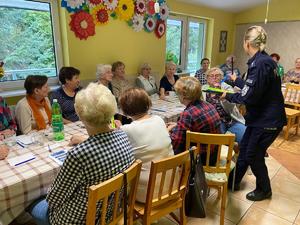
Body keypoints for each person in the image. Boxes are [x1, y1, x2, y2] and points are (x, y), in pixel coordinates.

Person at [29, 83, 135, 225]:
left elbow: (54, 199)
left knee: (34, 205)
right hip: (113, 211)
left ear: (79, 113)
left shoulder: (78, 155)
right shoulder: (123, 135)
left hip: (81, 220)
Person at [222, 26, 286, 201]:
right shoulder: (264, 61)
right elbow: (256, 88)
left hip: (267, 120)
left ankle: (264, 189)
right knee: (245, 150)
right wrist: (240, 81)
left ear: (247, 43)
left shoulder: (260, 63)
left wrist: (227, 95)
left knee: (254, 154)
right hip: (259, 119)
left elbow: (250, 97)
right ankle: (233, 181)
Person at [119, 88, 174, 202]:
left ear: (125, 111)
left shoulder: (127, 129)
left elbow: (108, 143)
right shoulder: (159, 119)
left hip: (147, 193)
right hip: (172, 184)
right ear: (148, 104)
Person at [167, 77, 221, 155]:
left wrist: (166, 132)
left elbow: (176, 144)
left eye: (177, 93)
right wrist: (177, 126)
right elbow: (198, 128)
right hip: (214, 154)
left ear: (183, 96)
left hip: (197, 160)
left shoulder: (188, 114)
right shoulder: (209, 105)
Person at [202, 67, 246, 145]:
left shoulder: (226, 87)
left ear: (221, 77)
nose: (214, 78)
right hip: (215, 122)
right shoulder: (203, 89)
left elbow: (232, 106)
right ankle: (227, 152)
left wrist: (224, 99)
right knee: (220, 141)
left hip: (231, 119)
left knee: (246, 136)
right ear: (207, 78)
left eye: (217, 75)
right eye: (211, 76)